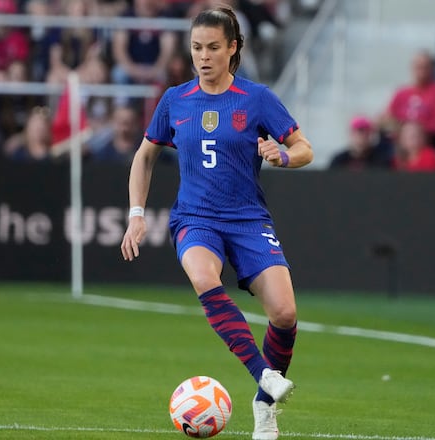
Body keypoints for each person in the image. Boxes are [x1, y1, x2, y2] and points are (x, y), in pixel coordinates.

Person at [120, 7, 313, 440]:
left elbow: (305, 148)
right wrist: (135, 215)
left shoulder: (256, 98)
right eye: (196, 48)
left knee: (284, 314)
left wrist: (283, 155)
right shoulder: (175, 99)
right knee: (205, 277)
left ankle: (264, 408)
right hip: (195, 218)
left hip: (247, 219)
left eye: (212, 48)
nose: (203, 57)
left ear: (232, 48)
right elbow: (144, 156)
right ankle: (266, 376)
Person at [379, 51, 435, 144]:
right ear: (412, 68)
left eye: (425, 67)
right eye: (418, 67)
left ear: (432, 69)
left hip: (426, 142)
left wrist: (415, 129)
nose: (421, 71)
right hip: (399, 141)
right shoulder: (401, 92)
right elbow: (388, 117)